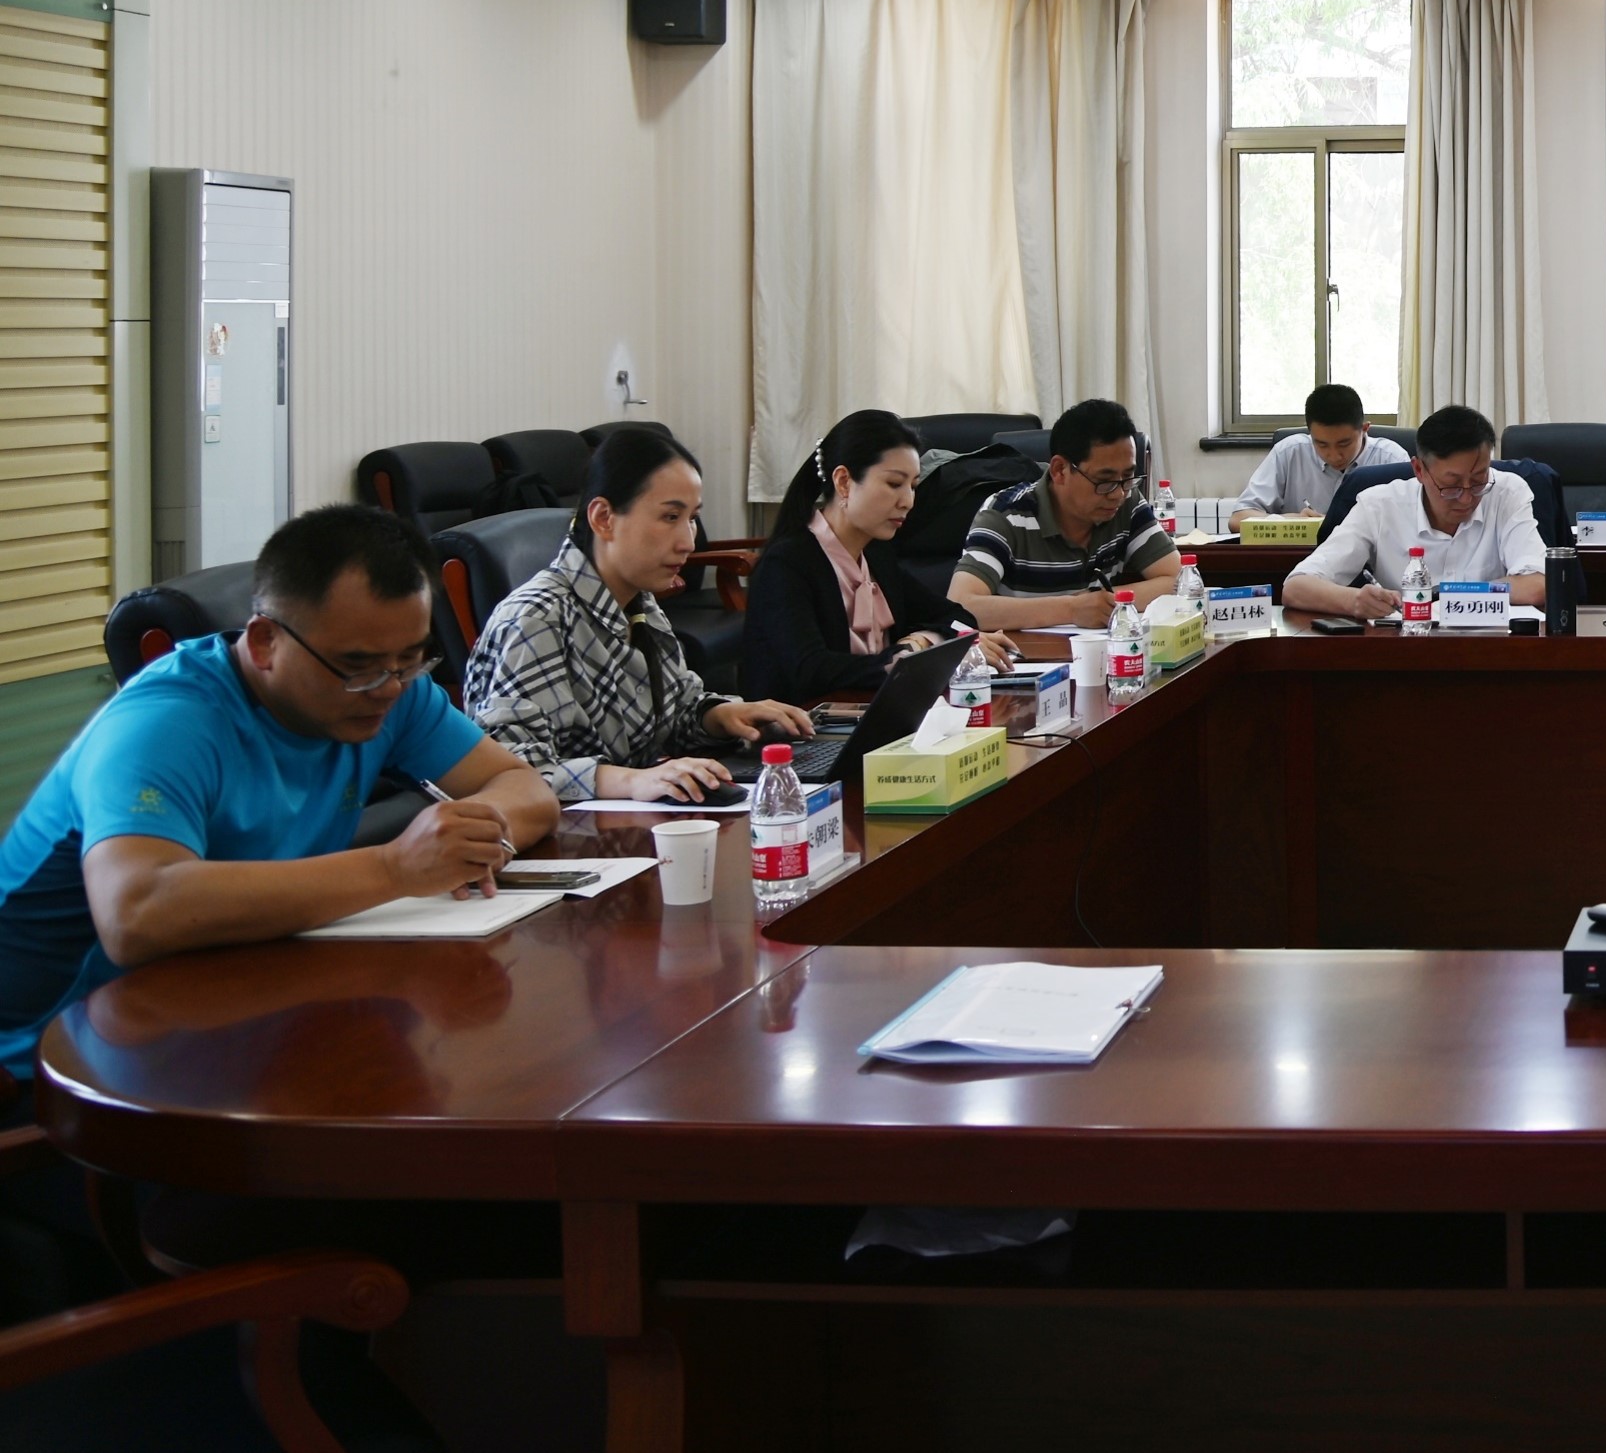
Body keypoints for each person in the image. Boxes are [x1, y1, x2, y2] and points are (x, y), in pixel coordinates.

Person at [1, 504, 557, 1087]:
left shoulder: (391, 689)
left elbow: (526, 790)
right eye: (357, 665)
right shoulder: (165, 724)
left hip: (234, 1005)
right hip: (58, 1061)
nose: (387, 688)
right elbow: (136, 914)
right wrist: (396, 867)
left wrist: (471, 838)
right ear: (265, 641)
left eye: (411, 658)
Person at [468, 424, 817, 803]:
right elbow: (513, 774)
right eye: (670, 517)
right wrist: (633, 781)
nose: (688, 542)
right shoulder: (534, 620)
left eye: (692, 518)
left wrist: (720, 716)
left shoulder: (640, 603)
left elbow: (674, 710)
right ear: (603, 518)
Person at [740, 409, 1017, 705]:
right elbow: (812, 671)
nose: (908, 501)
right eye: (894, 484)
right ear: (844, 482)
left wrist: (920, 642)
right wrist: (910, 655)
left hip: (876, 711)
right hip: (804, 726)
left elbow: (957, 616)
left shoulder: (875, 554)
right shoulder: (787, 564)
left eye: (913, 486)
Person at [1283, 405, 1549, 619]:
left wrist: (1453, 595)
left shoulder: (1506, 492)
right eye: (1451, 485)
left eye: (1479, 481)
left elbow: (1538, 583)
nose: (1467, 497)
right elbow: (1296, 587)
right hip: (1405, 649)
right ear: (1419, 470)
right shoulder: (1379, 505)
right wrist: (1354, 601)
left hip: (1491, 649)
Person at [949, 397, 1182, 632]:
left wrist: (1103, 601)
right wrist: (1071, 609)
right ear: (1060, 470)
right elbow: (961, 605)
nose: (1118, 493)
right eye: (1104, 480)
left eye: (1128, 476)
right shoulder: (1005, 514)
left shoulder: (1127, 502)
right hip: (1024, 653)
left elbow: (1179, 579)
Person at [1239, 383, 1409, 520]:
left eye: (1344, 444)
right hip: (1304, 552)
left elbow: (1412, 520)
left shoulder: (1392, 459)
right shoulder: (1289, 453)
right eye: (1322, 444)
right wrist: (1292, 520)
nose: (1334, 456)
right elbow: (1239, 517)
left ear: (1364, 429)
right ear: (1310, 433)